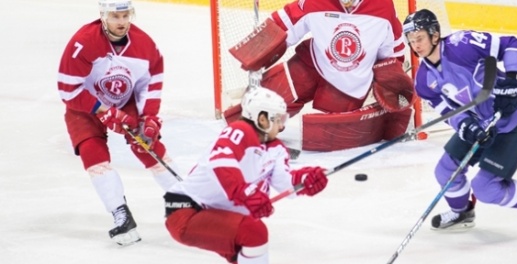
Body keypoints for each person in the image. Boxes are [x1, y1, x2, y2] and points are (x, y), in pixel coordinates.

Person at [402, 9, 517, 233]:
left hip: (515, 120)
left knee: (485, 188)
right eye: (411, 40)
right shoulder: (424, 80)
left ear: (435, 35)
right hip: (482, 123)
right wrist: (465, 125)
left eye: (420, 38)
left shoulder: (462, 44)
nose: (415, 45)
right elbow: (448, 111)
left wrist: (511, 80)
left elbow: (512, 44)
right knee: (445, 170)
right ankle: (462, 212)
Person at [57, 0, 179, 245]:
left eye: (126, 16)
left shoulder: (145, 46)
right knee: (93, 154)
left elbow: (150, 84)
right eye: (115, 16)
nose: (122, 22)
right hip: (85, 106)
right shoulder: (84, 42)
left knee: (148, 145)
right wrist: (103, 110)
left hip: (125, 101)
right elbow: (68, 90)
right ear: (103, 15)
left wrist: (149, 118)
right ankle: (121, 215)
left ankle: (184, 199)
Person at [164, 87, 329, 264]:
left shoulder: (276, 149)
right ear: (262, 119)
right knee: (253, 233)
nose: (282, 126)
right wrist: (246, 193)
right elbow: (220, 162)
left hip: (217, 211)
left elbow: (285, 183)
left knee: (245, 250)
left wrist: (305, 180)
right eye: (278, 119)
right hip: (186, 209)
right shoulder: (239, 131)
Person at [224, 0, 415, 151]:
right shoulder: (315, 1)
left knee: (325, 134)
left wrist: (389, 75)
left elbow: (393, 51)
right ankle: (247, 130)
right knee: (271, 97)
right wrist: (258, 50)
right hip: (311, 65)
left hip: (347, 86)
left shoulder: (383, 7)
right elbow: (285, 23)